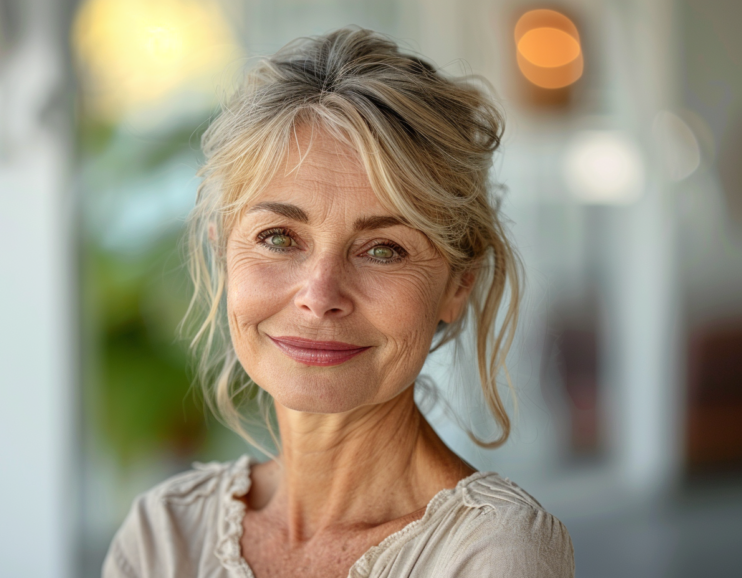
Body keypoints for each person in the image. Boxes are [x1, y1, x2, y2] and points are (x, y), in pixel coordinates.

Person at [102, 26, 575, 578]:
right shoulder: (165, 534)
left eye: (383, 249)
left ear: (457, 284)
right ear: (223, 252)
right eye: (279, 237)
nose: (320, 296)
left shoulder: (490, 554)